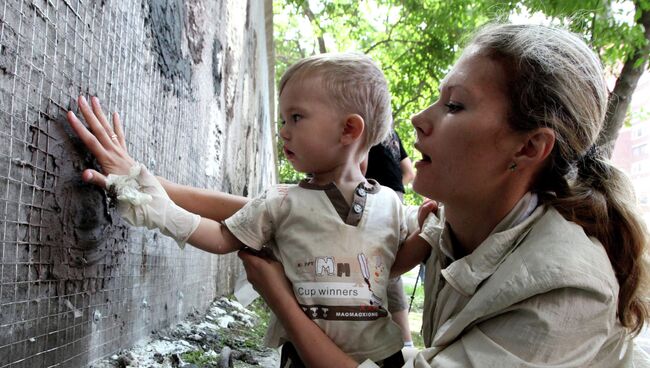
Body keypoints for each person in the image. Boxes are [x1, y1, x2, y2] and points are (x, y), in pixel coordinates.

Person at [237, 23, 650, 367]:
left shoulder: (565, 290)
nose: (417, 119)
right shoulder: (455, 224)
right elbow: (299, 212)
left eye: (453, 106)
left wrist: (279, 295)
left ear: (527, 148)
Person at [66, 53, 424, 366]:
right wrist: (148, 198)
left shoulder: (390, 204)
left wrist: (428, 231)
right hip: (301, 356)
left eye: (296, 117)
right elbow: (222, 237)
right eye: (282, 120)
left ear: (348, 129)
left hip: (384, 357)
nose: (283, 131)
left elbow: (391, 263)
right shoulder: (281, 201)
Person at [362, 129, 416, 347]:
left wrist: (378, 194)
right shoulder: (390, 131)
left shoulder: (362, 119)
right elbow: (409, 172)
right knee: (386, 264)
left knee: (378, 265)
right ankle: (405, 344)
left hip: (372, 195)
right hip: (395, 195)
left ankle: (403, 344)